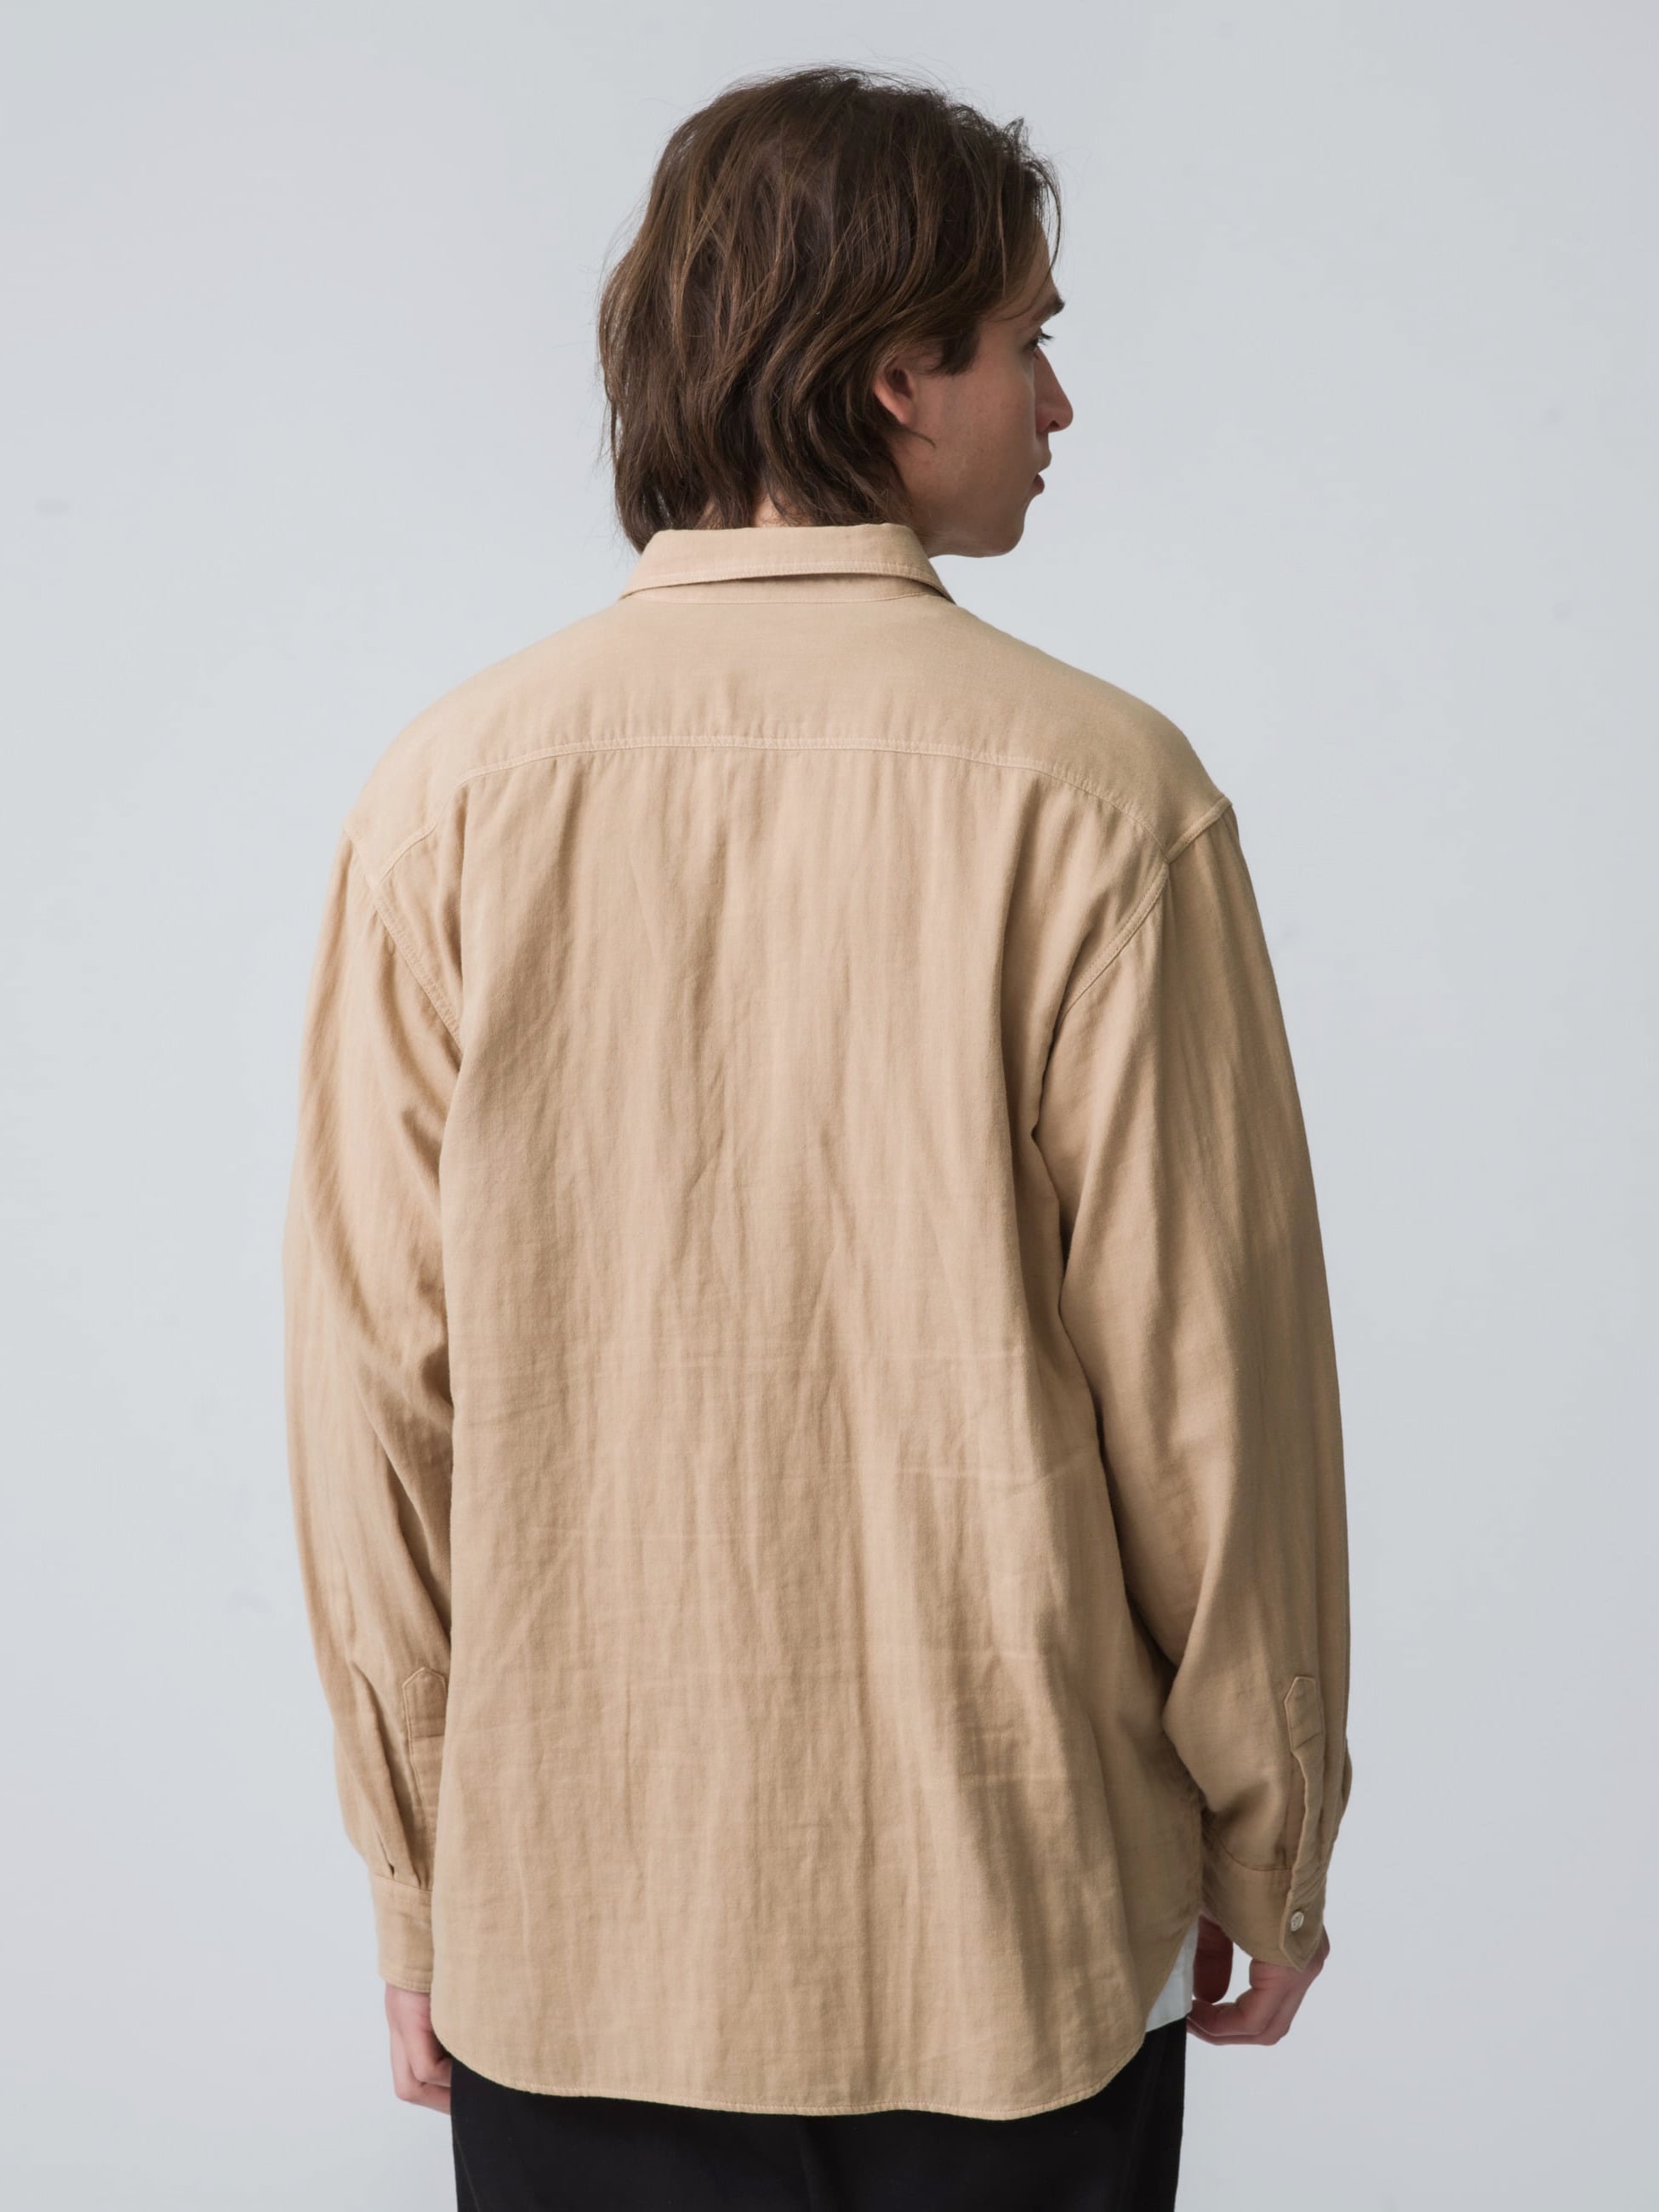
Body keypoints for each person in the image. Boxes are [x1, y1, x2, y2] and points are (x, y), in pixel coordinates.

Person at [282, 62, 1353, 2212]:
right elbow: (1212, 1396)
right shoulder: (1104, 797)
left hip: (578, 1937)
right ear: (893, 377)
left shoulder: (448, 797)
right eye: (1028, 340)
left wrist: (418, 1874)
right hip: (1017, 1935)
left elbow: (374, 1398)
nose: (1058, 402)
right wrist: (1269, 1831)